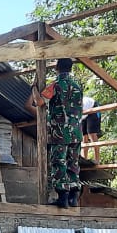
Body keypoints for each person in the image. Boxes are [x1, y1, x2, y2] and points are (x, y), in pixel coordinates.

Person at [27, 58, 84, 208]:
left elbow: (39, 102)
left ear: (57, 68)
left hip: (60, 131)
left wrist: (34, 88)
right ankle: (73, 197)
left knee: (59, 162)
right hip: (77, 132)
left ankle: (62, 197)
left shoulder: (55, 85)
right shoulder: (78, 86)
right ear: (70, 68)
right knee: (73, 163)